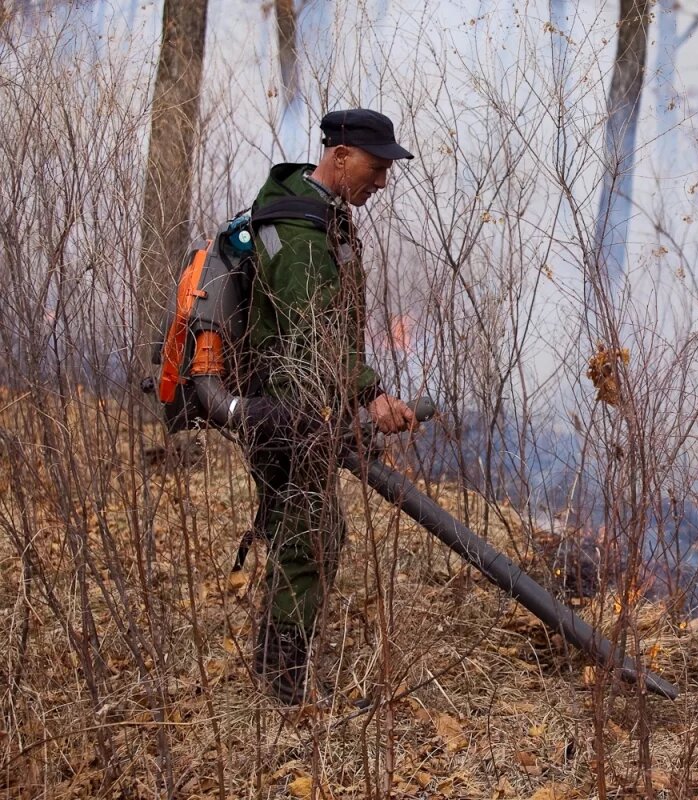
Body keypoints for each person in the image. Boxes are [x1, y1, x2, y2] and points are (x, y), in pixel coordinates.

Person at [245, 108, 416, 704]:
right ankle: (282, 684)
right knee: (310, 535)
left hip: (298, 404)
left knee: (306, 530)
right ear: (340, 155)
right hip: (285, 410)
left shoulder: (313, 211)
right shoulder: (300, 236)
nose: (383, 182)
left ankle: (277, 664)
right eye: (376, 167)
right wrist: (372, 394)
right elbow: (313, 339)